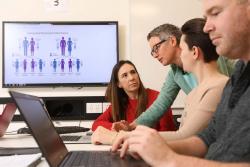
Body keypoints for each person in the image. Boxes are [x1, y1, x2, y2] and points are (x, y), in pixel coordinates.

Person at [112, 1, 250, 166]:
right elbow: (162, 107)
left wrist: (169, 158)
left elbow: (191, 135)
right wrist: (135, 131)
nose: (207, 28)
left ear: (193, 51)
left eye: (216, 12)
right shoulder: (177, 74)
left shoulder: (219, 82)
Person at [128, 18, 235, 130]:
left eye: (156, 48)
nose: (155, 55)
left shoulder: (211, 56)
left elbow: (226, 98)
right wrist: (133, 126)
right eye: (152, 52)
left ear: (173, 41)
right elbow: (160, 105)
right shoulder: (175, 73)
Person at [156, 18, 228, 141]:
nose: (181, 55)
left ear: (195, 52)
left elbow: (183, 136)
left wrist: (131, 137)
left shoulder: (221, 87)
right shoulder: (192, 94)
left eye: (182, 49)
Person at [91, 60, 176, 145]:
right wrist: (115, 127)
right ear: (118, 84)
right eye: (125, 75)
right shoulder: (119, 104)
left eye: (133, 72)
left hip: (154, 149)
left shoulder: (158, 98)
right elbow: (96, 124)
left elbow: (168, 132)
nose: (131, 78)